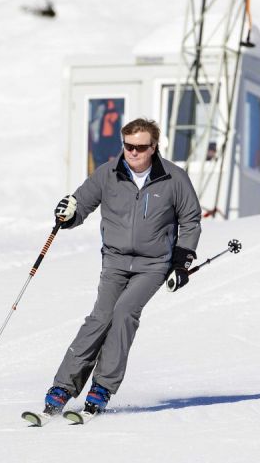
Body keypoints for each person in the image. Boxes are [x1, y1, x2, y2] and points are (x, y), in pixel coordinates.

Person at [39, 118, 202, 416]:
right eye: (129, 146)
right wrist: (68, 214)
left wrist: (182, 263)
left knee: (124, 313)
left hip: (153, 265)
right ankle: (62, 387)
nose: (134, 153)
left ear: (154, 147)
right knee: (100, 318)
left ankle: (102, 387)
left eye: (141, 147)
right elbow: (81, 204)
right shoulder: (108, 174)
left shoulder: (174, 179)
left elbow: (190, 220)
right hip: (115, 260)